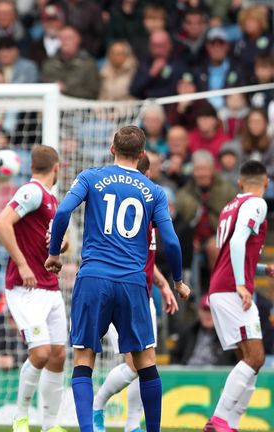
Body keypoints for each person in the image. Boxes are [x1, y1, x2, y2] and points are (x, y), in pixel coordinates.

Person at [45, 126, 189, 432]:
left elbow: (62, 213)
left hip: (94, 277)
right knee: (145, 361)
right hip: (133, 282)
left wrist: (55, 253)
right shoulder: (154, 191)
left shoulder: (90, 177)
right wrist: (177, 280)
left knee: (84, 357)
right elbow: (172, 242)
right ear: (141, 155)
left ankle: (87, 429)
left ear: (112, 149)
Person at [92, 155, 188, 432]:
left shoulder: (149, 205)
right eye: (154, 167)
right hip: (120, 292)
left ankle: (132, 425)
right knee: (136, 365)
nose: (158, 171)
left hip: (142, 295)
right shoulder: (134, 203)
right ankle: (98, 405)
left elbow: (147, 255)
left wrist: (161, 284)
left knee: (145, 365)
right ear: (142, 172)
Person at [204, 160, 274, 432]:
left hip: (220, 286)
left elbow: (228, 252)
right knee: (255, 357)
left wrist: (260, 268)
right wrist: (241, 284)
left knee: (249, 360)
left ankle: (231, 423)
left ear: (239, 182)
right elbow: (237, 243)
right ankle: (219, 418)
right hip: (231, 289)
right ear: (267, 182)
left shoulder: (229, 208)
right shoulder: (257, 204)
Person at [0, 145, 67, 432]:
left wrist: (60, 247)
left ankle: (51, 425)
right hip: (26, 286)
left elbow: (62, 242)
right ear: (57, 168)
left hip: (50, 287)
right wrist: (22, 264)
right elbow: (2, 223)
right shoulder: (33, 191)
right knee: (40, 353)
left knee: (59, 355)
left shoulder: (52, 199)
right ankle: (20, 416)